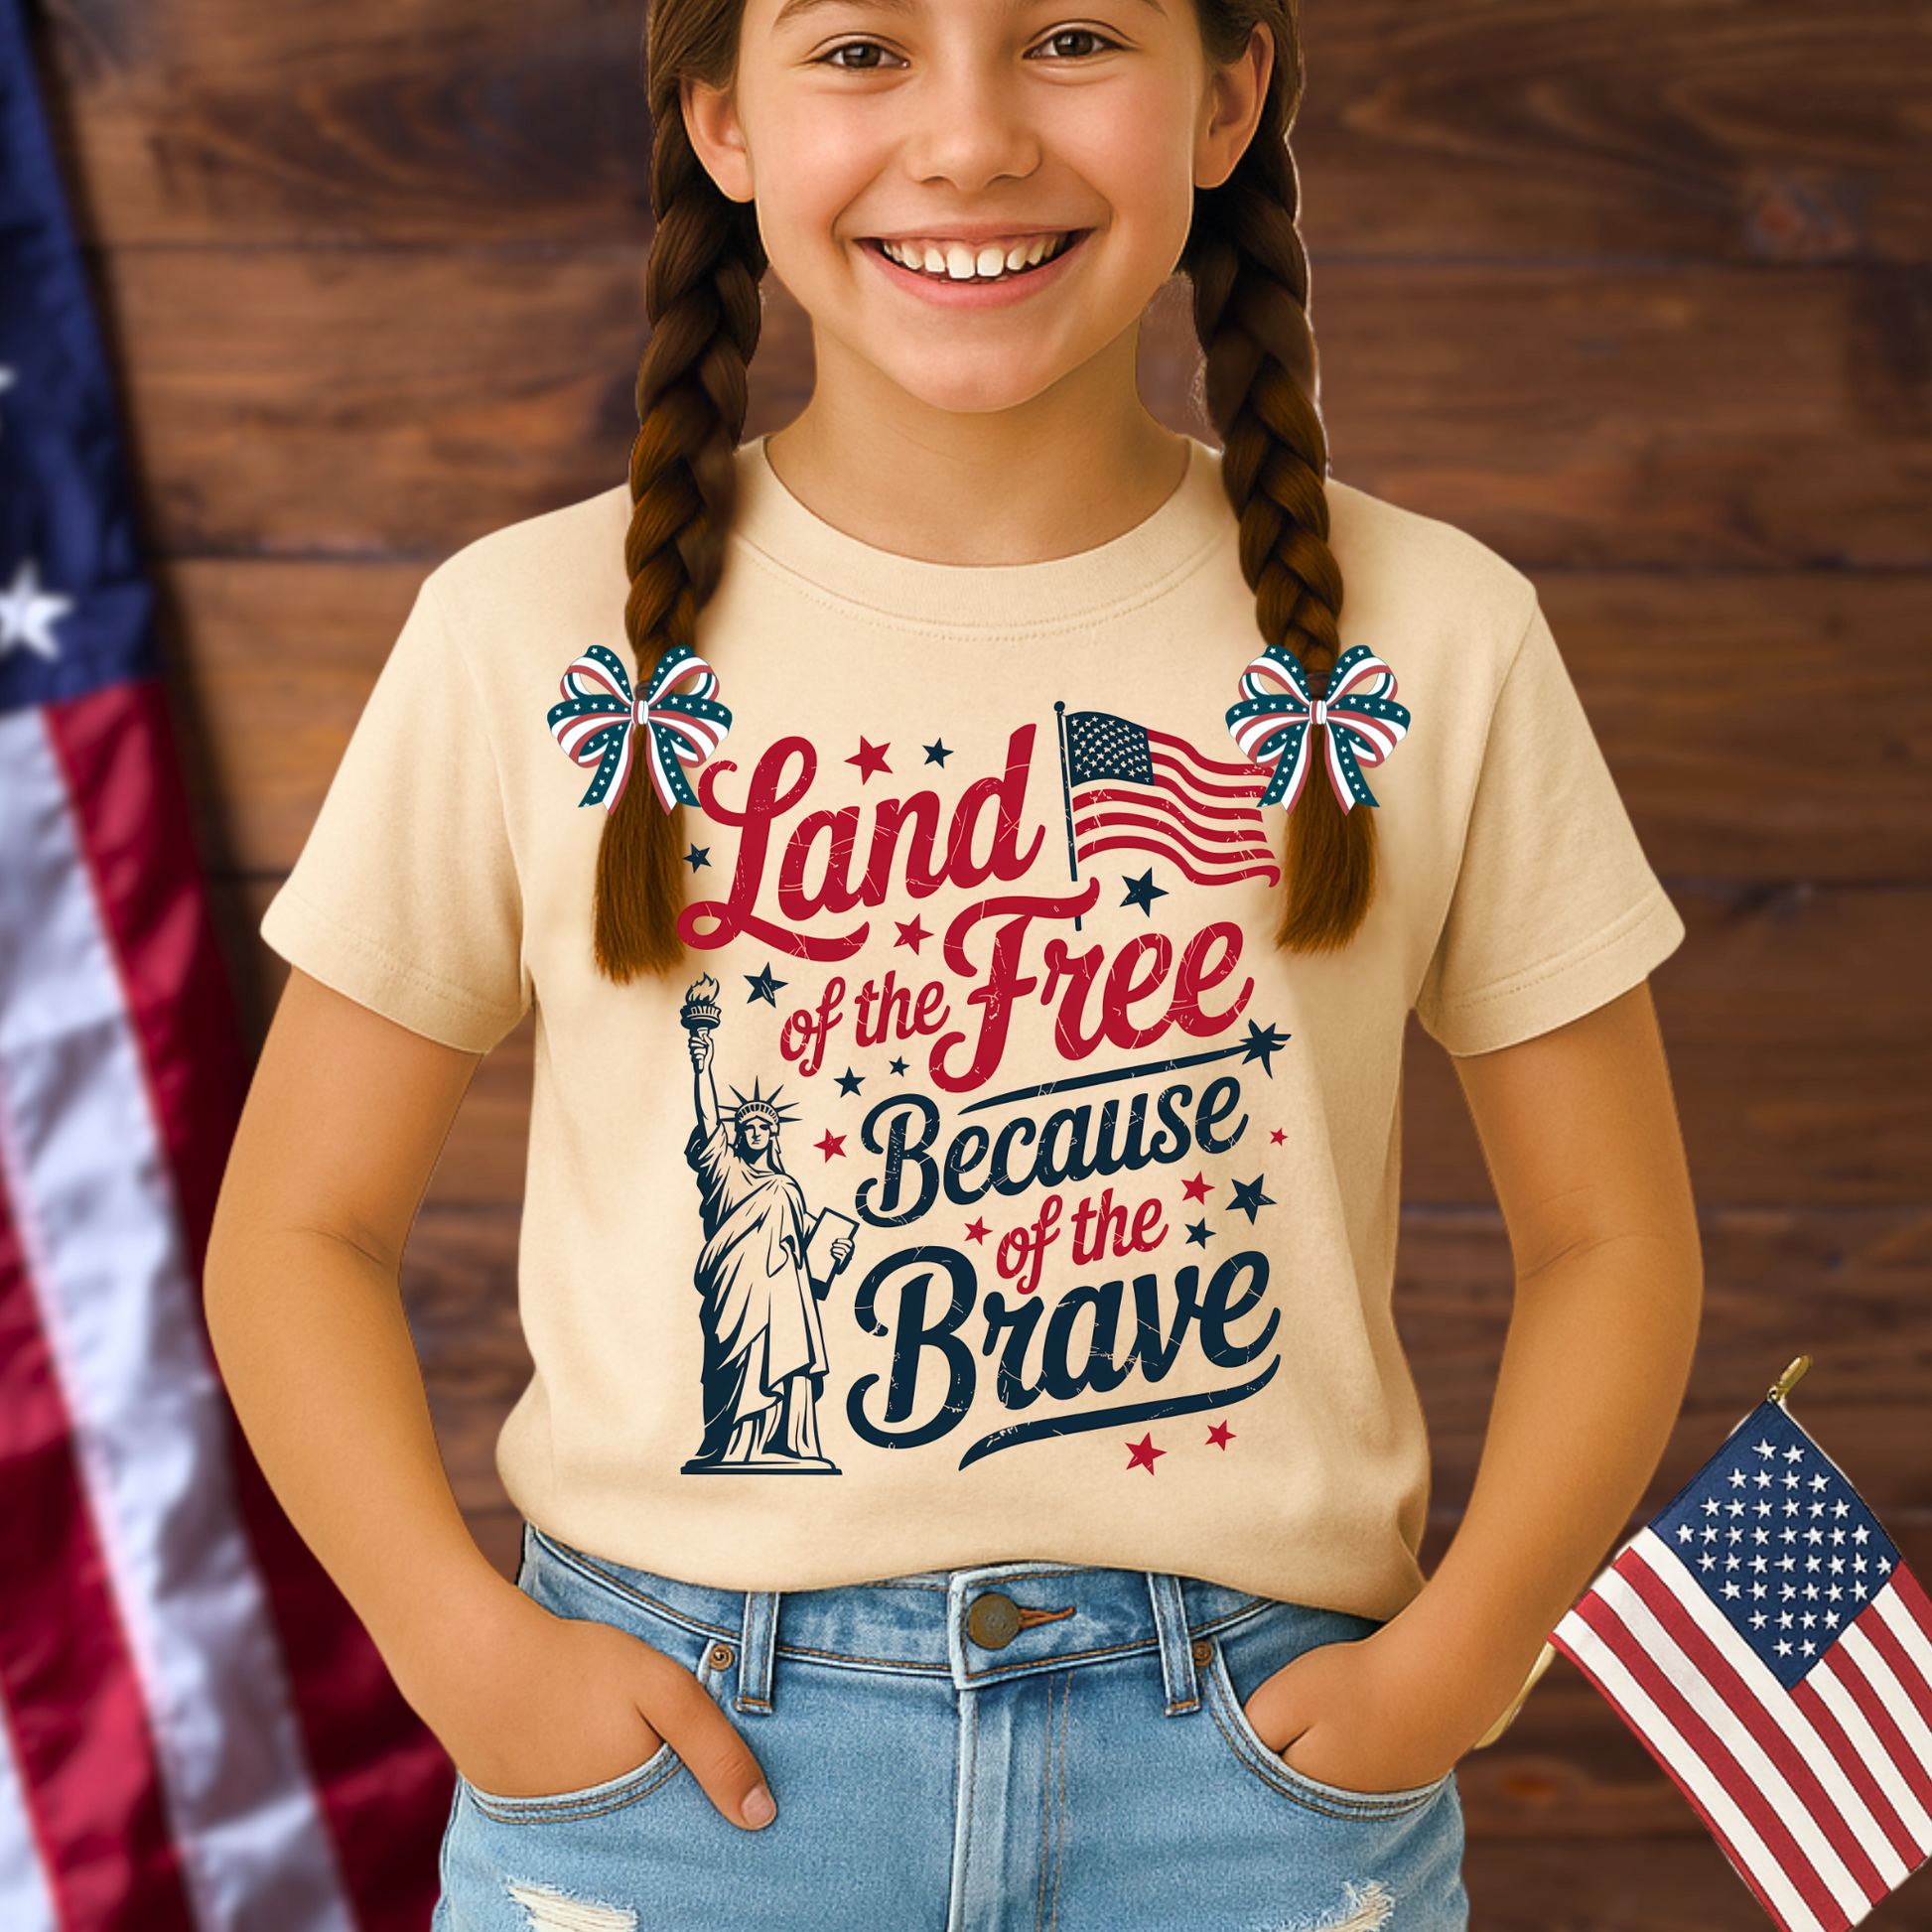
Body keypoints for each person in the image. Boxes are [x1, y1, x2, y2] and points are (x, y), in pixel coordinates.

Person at [204, 0, 1704, 1919]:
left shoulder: (1436, 633)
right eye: (859, 52)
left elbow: (1614, 1238)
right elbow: (293, 1228)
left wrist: (1459, 1659)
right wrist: (456, 1645)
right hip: (681, 1773)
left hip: (1253, 1782)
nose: (972, 139)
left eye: (1070, 36)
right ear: (720, 120)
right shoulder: (527, 636)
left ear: (1229, 93)